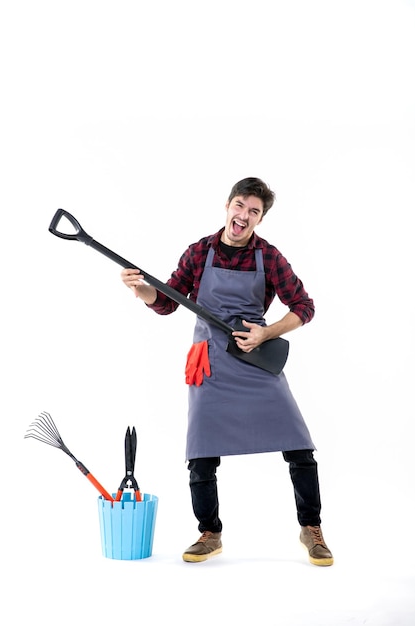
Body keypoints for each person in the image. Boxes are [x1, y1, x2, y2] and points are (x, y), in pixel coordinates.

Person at [121, 177, 333, 567]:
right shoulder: (199, 252)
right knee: (202, 454)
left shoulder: (268, 257)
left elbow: (304, 305)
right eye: (240, 205)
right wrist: (141, 290)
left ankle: (311, 528)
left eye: (254, 211)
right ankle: (209, 532)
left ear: (260, 218)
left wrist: (267, 332)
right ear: (228, 205)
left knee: (300, 447)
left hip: (255, 359)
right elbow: (167, 301)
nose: (244, 215)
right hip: (211, 363)